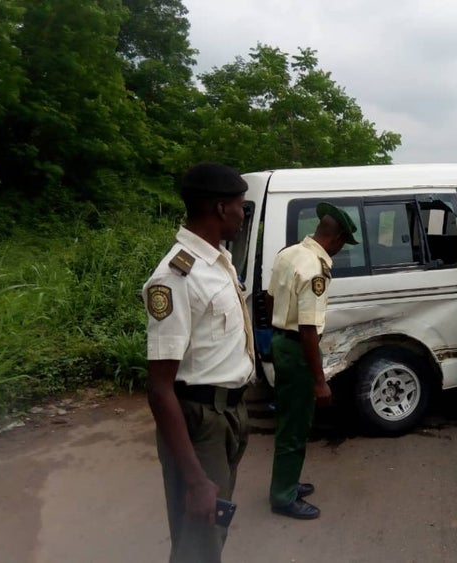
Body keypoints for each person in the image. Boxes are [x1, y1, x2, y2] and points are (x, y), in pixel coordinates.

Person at [144, 162, 255, 562]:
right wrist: (193, 478)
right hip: (200, 421)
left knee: (212, 533)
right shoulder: (176, 276)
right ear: (221, 208)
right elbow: (159, 387)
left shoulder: (218, 262)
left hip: (228, 414)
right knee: (198, 543)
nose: (244, 214)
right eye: (242, 206)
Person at [267, 202, 359, 519]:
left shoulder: (289, 253)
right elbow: (308, 329)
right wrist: (320, 381)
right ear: (337, 239)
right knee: (296, 424)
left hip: (283, 342)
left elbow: (269, 299)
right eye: (344, 244)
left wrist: (276, 337)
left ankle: (287, 482)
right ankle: (283, 496)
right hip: (298, 349)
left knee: (290, 417)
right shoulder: (315, 269)